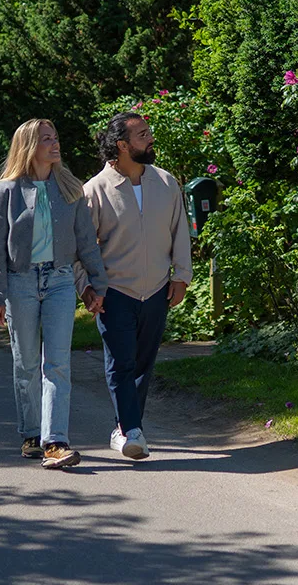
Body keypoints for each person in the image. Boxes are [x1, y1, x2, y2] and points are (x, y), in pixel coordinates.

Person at [0, 119, 109, 470]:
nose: (55, 145)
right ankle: (30, 433)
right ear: (28, 146)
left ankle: (55, 441)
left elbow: (86, 242)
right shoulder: (7, 191)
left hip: (58, 281)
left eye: (56, 138)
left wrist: (96, 286)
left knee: (57, 364)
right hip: (20, 282)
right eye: (46, 140)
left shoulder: (71, 188)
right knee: (25, 364)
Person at [79, 111, 191, 461]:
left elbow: (180, 232)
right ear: (122, 145)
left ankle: (125, 428)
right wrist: (87, 288)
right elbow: (80, 248)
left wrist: (181, 276)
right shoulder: (95, 190)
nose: (150, 139)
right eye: (142, 135)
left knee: (144, 363)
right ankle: (131, 431)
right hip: (114, 292)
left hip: (157, 289)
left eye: (149, 132)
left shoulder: (166, 182)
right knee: (121, 364)